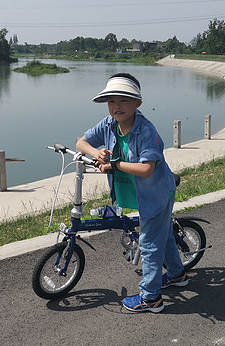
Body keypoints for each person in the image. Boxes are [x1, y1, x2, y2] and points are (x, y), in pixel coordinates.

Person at [76, 73, 188, 313]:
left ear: (137, 103)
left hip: (156, 194)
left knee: (149, 245)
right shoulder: (108, 124)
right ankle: (178, 275)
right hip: (136, 192)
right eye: (111, 101)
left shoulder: (146, 131)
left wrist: (114, 163)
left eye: (123, 100)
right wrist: (97, 154)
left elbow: (146, 169)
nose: (116, 106)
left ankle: (151, 299)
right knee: (164, 235)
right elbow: (81, 142)